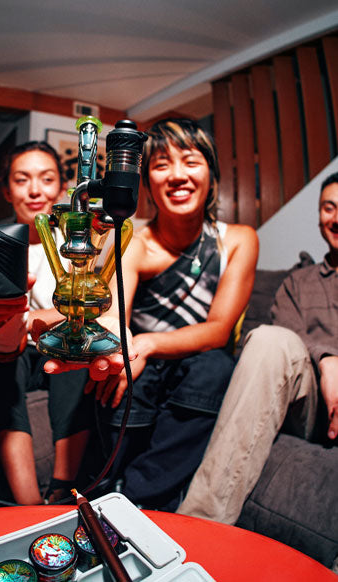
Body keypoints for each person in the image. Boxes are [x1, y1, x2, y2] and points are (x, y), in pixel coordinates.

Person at [78, 117, 259, 511]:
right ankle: (100, 493)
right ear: (145, 182)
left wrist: (145, 343)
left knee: (214, 365)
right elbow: (115, 320)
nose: (177, 175)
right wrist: (125, 348)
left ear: (211, 173)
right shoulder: (135, 242)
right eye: (161, 165)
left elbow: (218, 330)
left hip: (196, 369)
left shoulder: (237, 240)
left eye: (191, 161)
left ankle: (141, 500)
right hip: (142, 374)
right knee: (125, 374)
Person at [176, 171, 338, 524]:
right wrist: (327, 360)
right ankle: (201, 525)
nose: (337, 218)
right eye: (329, 208)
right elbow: (287, 331)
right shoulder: (299, 282)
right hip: (311, 404)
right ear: (319, 217)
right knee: (269, 340)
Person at [0, 142, 93, 505]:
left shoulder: (77, 243)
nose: (35, 190)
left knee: (75, 344)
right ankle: (28, 507)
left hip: (55, 345)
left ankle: (62, 489)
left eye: (46, 179)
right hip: (14, 351)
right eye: (22, 180)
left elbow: (84, 307)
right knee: (0, 367)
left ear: (62, 188)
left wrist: (34, 318)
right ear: (7, 191)